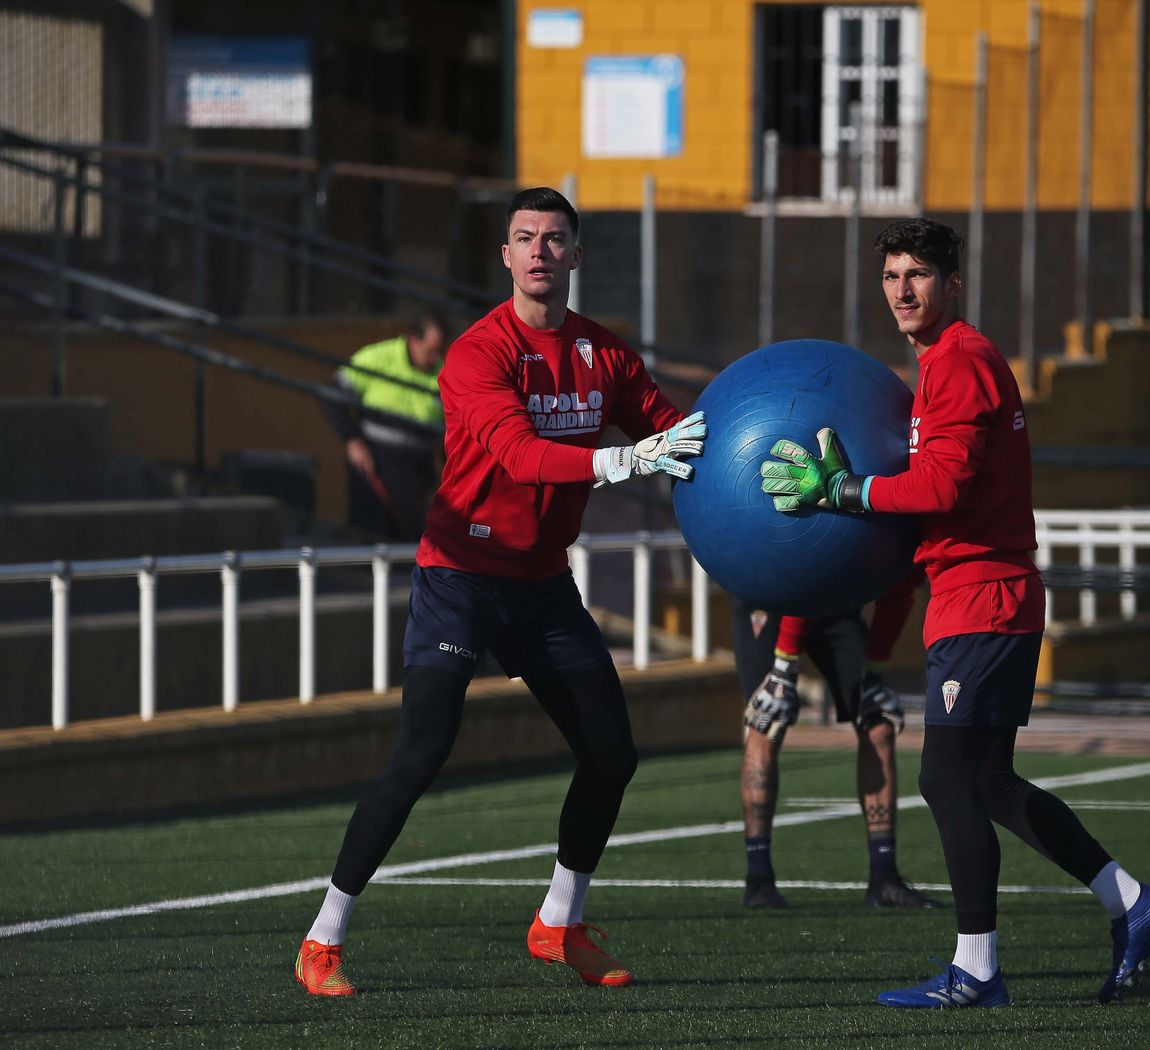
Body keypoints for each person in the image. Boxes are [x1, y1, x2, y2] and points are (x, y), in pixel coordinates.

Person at [294, 187, 707, 997]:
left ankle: (559, 923)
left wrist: (760, 460)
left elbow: (675, 433)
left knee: (612, 754)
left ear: (576, 255)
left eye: (554, 238)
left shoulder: (605, 354)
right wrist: (620, 461)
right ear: (506, 256)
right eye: (525, 238)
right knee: (422, 753)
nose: (540, 251)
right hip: (460, 577)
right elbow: (521, 456)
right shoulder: (477, 353)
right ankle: (322, 938)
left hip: (543, 585)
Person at [759, 217, 1150, 1008]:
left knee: (946, 779)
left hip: (983, 597)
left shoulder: (958, 360)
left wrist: (843, 491)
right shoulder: (946, 362)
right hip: (978, 595)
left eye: (917, 275)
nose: (902, 291)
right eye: (891, 277)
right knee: (986, 782)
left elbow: (943, 487)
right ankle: (1131, 900)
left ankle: (977, 969)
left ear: (953, 284)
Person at [733, 570, 941, 911]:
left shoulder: (906, 545)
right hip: (773, 584)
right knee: (766, 718)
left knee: (878, 720)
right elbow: (802, 565)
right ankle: (759, 878)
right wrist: (783, 667)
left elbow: (899, 592)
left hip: (835, 597)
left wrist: (874, 673)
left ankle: (884, 876)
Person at [324, 312, 449, 540]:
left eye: (439, 351)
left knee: (411, 540)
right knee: (367, 536)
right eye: (430, 351)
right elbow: (333, 397)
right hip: (373, 466)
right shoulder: (377, 358)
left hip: (417, 473)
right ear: (414, 340)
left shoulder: (445, 372)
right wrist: (352, 440)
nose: (435, 357)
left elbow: (451, 428)